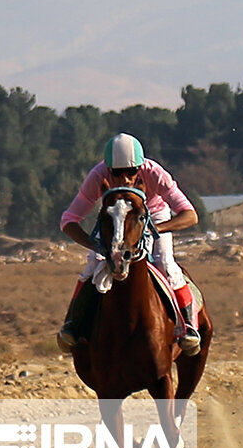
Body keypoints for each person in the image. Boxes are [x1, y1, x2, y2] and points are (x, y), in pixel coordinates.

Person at [57, 133, 202, 355]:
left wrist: (154, 229)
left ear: (140, 167)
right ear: (108, 170)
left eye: (132, 172)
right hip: (116, 217)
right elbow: (68, 220)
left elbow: (190, 215)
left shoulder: (154, 173)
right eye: (117, 173)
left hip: (154, 217)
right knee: (93, 265)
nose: (125, 179)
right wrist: (95, 245)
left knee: (165, 262)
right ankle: (72, 325)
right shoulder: (97, 176)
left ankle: (188, 328)